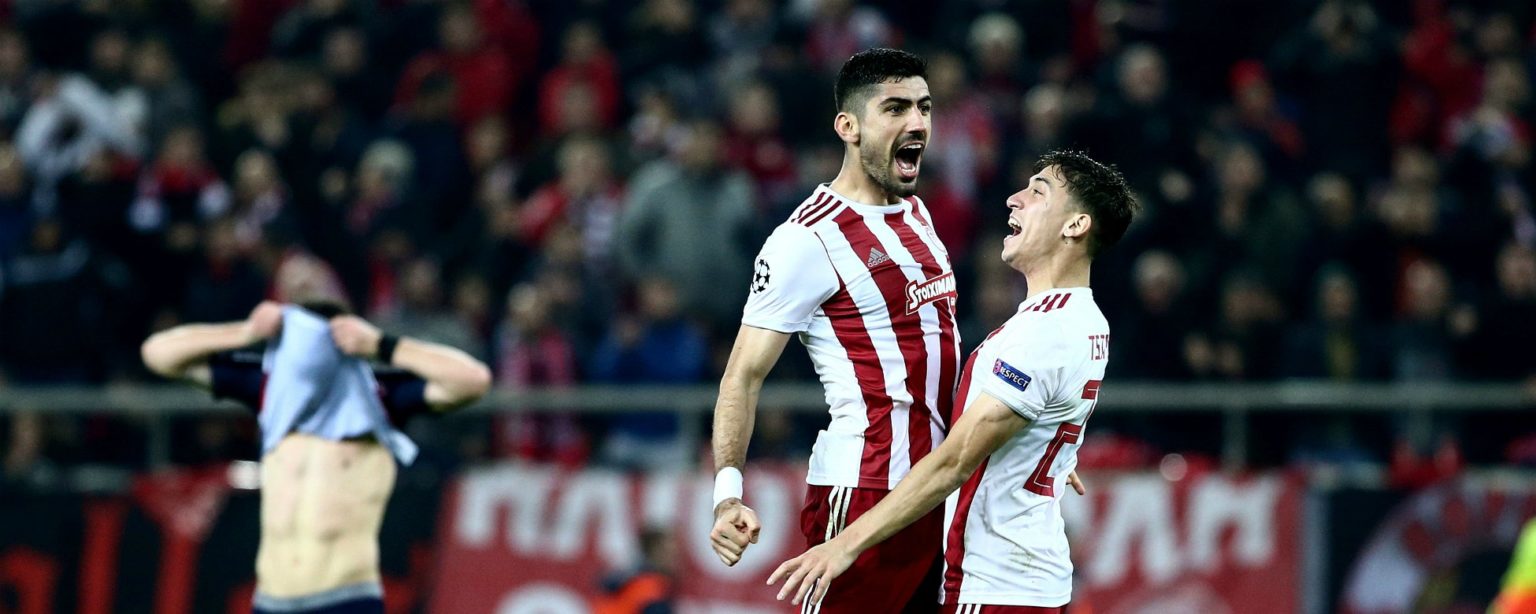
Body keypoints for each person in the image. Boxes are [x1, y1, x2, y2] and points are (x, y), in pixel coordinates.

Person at [769, 150, 1138, 614]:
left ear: (1075, 225)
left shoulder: (1043, 333)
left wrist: (845, 544)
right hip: (1030, 581)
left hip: (995, 587)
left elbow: (954, 463)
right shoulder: (1084, 319)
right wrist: (1040, 444)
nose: (1014, 199)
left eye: (1038, 192)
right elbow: (1047, 407)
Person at [708, 47, 960, 613]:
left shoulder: (917, 214)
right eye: (894, 108)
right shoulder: (806, 239)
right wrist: (727, 497)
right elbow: (742, 376)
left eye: (923, 107)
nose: (917, 122)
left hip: (937, 492)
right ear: (848, 126)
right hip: (864, 490)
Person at [140, 298, 491, 614]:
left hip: (345, 600)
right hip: (272, 601)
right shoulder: (269, 390)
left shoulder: (378, 398)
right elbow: (159, 355)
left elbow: (473, 380)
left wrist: (382, 345)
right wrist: (246, 332)